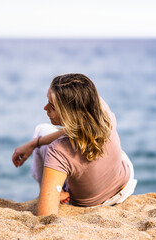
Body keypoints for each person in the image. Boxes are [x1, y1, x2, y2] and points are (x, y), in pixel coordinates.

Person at [12, 73, 137, 216]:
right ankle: (52, 187)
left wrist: (49, 198)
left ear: (69, 114)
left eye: (52, 106)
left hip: (88, 204)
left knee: (40, 129)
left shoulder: (59, 150)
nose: (45, 108)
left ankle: (51, 190)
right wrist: (35, 143)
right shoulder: (100, 107)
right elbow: (75, 127)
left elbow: (45, 215)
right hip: (123, 185)